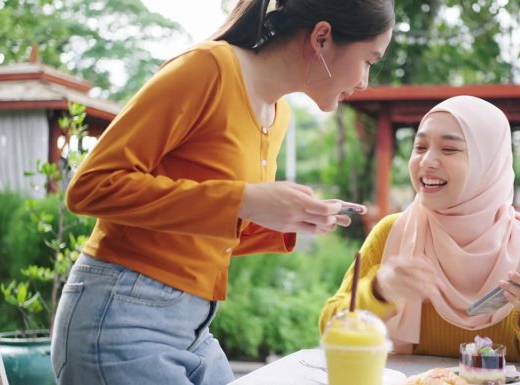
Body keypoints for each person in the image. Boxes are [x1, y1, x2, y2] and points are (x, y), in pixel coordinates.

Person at [51, 1, 395, 384]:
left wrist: (290, 217)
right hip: (120, 316)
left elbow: (204, 230)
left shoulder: (278, 115)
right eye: (369, 59)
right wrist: (244, 199)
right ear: (322, 38)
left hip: (195, 329)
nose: (366, 80)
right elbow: (90, 186)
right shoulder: (208, 69)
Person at [319, 96, 520, 365]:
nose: (426, 161)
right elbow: (330, 330)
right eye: (420, 146)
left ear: (489, 164)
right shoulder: (392, 233)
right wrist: (378, 292)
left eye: (449, 149)